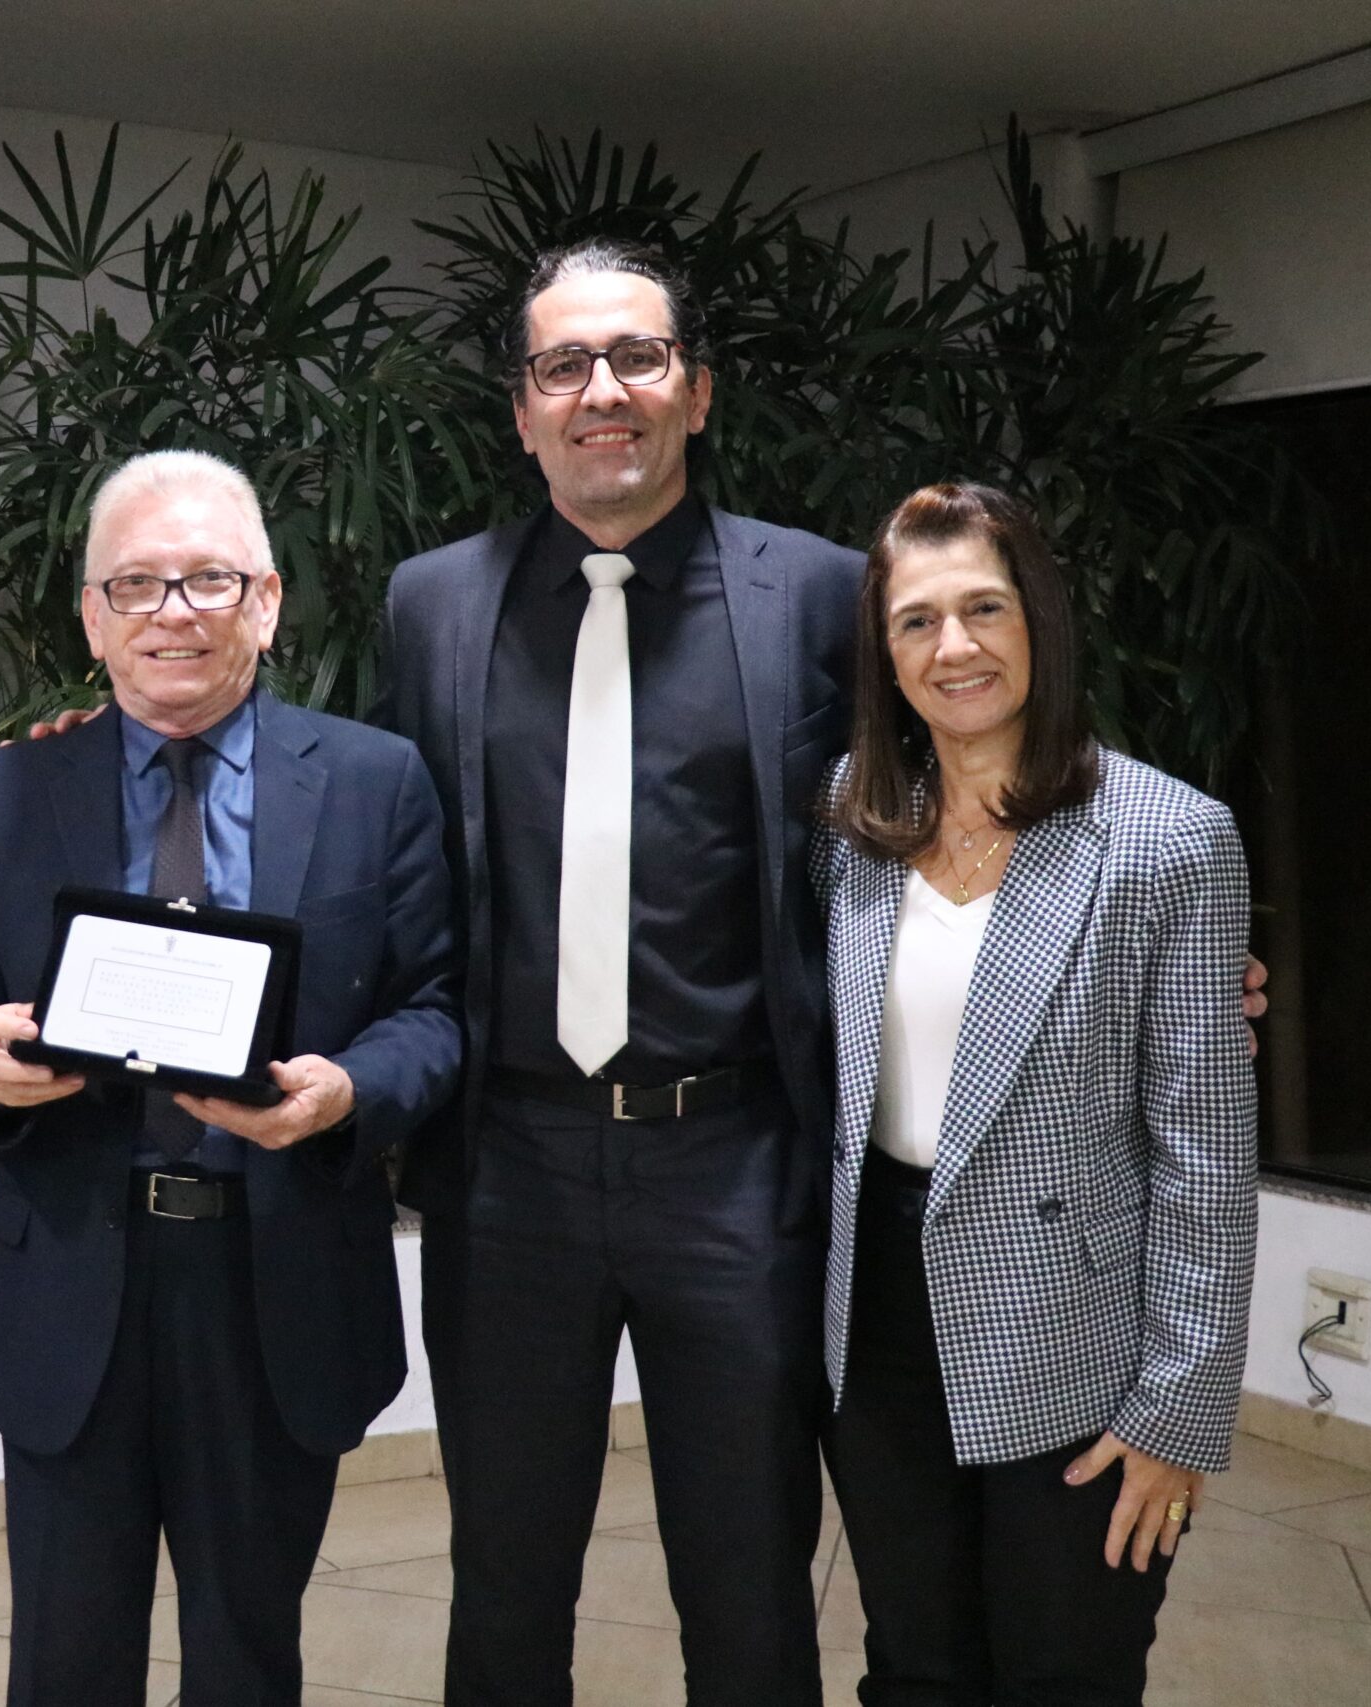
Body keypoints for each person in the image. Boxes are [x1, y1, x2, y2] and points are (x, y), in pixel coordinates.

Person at [377, 237, 858, 1704]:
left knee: (749, 1581)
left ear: (696, 393)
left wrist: (1148, 931)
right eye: (564, 364)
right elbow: (386, 851)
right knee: (507, 1584)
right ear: (521, 411)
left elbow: (966, 785)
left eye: (637, 358)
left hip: (734, 1163)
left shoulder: (823, 596)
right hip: (509, 1164)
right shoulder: (431, 603)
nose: (604, 391)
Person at [0, 450, 460, 1705]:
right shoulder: (2, 793)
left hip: (274, 1281)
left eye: (207, 579)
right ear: (92, 617)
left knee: (245, 1657)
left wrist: (348, 1090)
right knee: (65, 1661)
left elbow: (436, 1009)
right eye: (137, 586)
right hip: (74, 1278)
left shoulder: (374, 781)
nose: (174, 611)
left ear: (265, 602)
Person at [816, 481, 1257, 1703]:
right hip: (879, 1323)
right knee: (913, 1668)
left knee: (1066, 1669)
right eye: (915, 621)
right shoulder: (852, 823)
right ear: (884, 653)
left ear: (1039, 622)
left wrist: (1176, 1412)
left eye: (983, 608)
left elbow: (1205, 1157)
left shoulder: (1167, 838)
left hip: (1074, 1336)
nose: (952, 647)